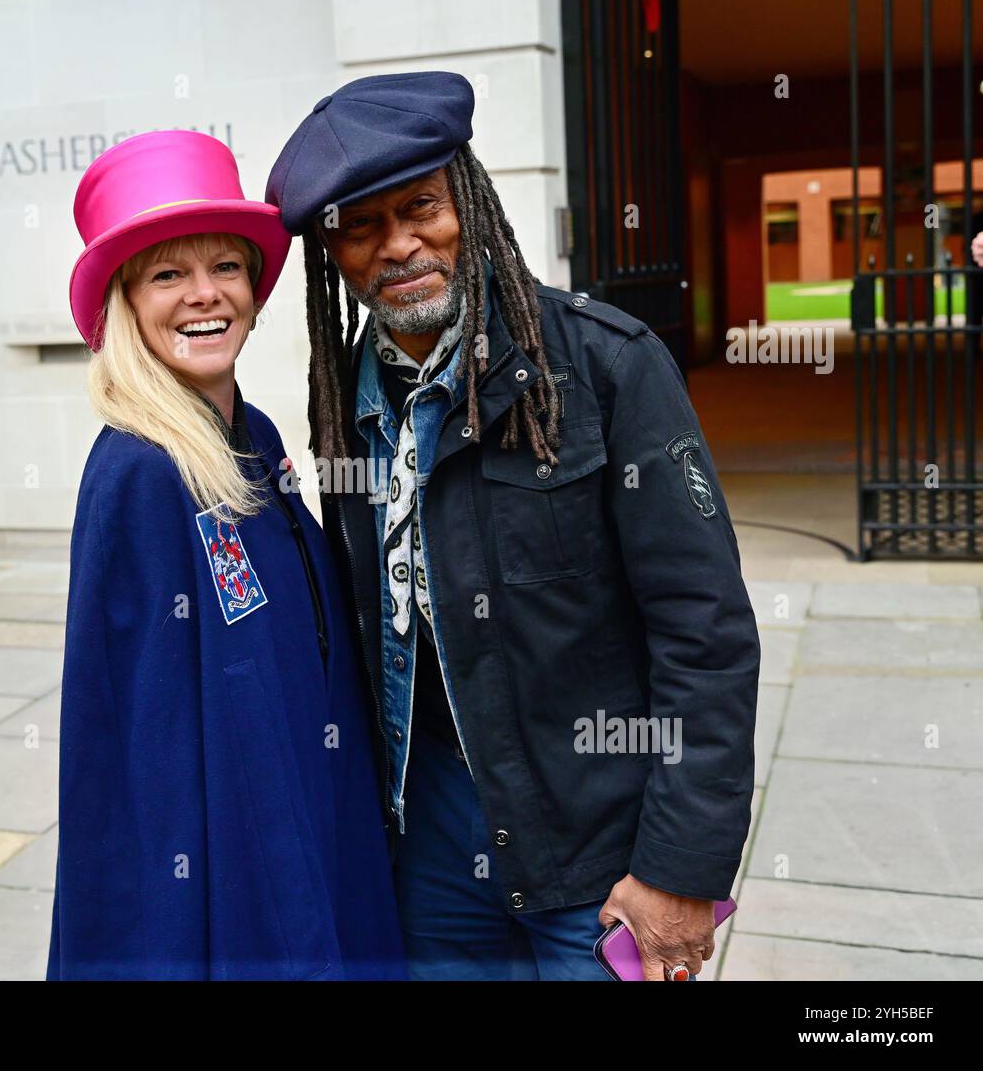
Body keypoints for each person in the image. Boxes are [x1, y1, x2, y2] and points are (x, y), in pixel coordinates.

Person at [265, 72, 761, 981]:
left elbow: (707, 632)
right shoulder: (346, 399)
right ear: (331, 251)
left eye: (421, 207)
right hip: (428, 853)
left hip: (597, 854)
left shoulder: (607, 367)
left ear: (470, 198)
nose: (398, 245)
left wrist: (681, 870)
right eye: (361, 226)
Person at [45, 130, 406, 980]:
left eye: (226, 268)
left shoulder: (254, 436)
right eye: (168, 274)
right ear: (127, 301)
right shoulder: (140, 471)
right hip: (233, 868)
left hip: (306, 807)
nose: (204, 296)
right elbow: (143, 743)